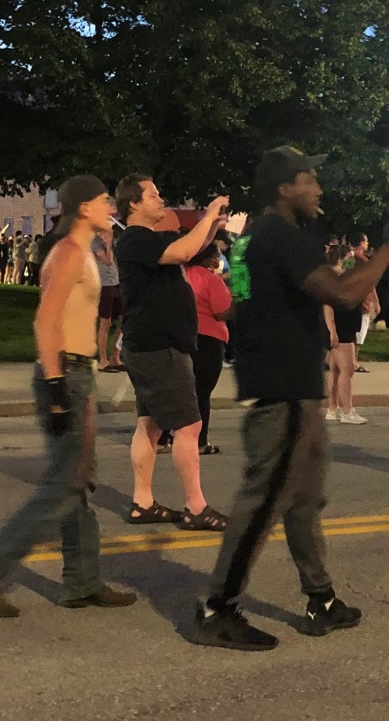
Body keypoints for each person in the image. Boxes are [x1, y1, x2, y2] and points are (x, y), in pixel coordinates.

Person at [192, 145, 389, 651]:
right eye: (309, 179)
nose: (318, 188)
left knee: (304, 501)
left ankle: (322, 601)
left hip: (290, 388)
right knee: (262, 503)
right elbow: (342, 293)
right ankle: (217, 608)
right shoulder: (280, 236)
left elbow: (237, 305)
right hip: (285, 393)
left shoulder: (250, 242)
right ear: (284, 188)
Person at [0, 175, 137, 618]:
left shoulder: (86, 251)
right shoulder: (70, 253)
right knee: (64, 485)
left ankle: (82, 582)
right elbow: (46, 322)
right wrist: (58, 387)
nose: (110, 205)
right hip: (67, 374)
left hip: (80, 373)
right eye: (103, 200)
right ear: (83, 209)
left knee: (78, 482)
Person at [114, 173, 230, 530]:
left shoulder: (147, 240)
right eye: (153, 194)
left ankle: (142, 502)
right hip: (158, 347)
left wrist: (212, 227)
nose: (160, 199)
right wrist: (206, 215)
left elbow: (190, 249)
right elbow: (182, 251)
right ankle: (196, 508)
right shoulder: (134, 239)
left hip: (154, 345)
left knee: (149, 424)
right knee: (189, 425)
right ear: (134, 203)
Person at [186, 241, 232, 455]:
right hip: (209, 339)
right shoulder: (211, 280)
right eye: (218, 256)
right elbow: (222, 311)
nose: (220, 260)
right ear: (209, 259)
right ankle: (199, 441)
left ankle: (169, 436)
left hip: (185, 337)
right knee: (202, 393)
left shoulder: (183, 275)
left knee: (185, 391)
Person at [323, 244, 368, 424]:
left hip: (343, 326)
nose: (352, 261)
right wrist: (332, 331)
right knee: (347, 370)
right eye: (349, 257)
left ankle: (332, 409)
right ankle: (347, 410)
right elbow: (328, 308)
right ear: (340, 258)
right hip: (341, 328)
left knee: (334, 370)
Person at [92, 228, 123, 372]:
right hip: (104, 285)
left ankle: (115, 356)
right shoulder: (95, 242)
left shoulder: (113, 243)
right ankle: (103, 360)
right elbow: (108, 260)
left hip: (116, 282)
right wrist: (109, 243)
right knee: (105, 322)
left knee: (123, 320)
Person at [348, 232, 378, 373]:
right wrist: (376, 302)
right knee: (358, 336)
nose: (367, 244)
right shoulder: (363, 261)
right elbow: (369, 284)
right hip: (361, 303)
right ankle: (353, 362)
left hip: (348, 301)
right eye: (366, 241)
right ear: (361, 243)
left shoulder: (347, 258)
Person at [372, 259, 389, 330]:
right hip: (383, 293)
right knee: (385, 309)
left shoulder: (383, 270)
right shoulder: (385, 272)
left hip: (385, 292)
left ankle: (378, 322)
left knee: (384, 309)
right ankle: (386, 325)